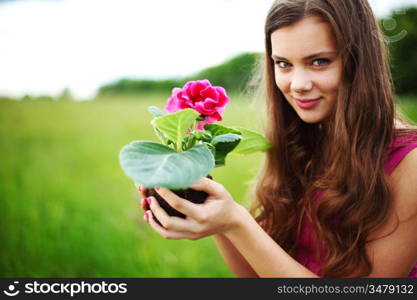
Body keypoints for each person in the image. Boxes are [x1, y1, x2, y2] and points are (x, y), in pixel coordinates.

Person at [138, 0, 417, 277]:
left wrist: (236, 222)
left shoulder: (408, 163)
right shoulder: (303, 142)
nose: (298, 84)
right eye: (283, 64)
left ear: (358, 62)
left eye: (319, 62)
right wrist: (216, 217)